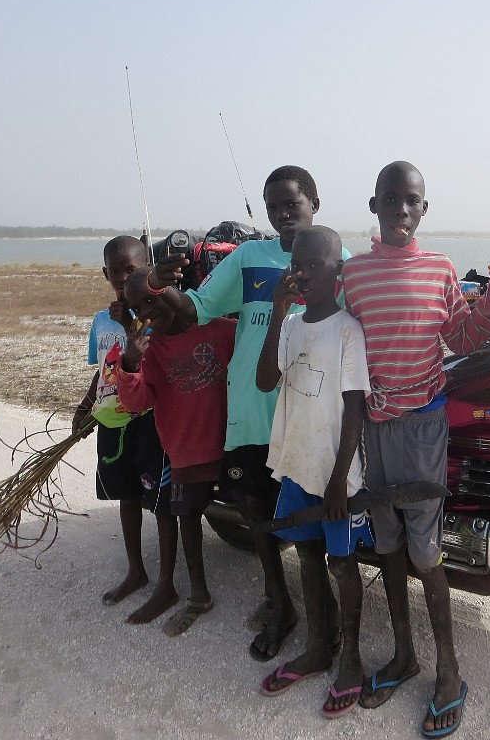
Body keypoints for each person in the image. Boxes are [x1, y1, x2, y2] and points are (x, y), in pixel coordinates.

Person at [342, 161, 490, 738]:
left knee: (425, 551)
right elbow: (336, 338)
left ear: (424, 210)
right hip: (373, 427)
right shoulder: (352, 275)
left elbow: (461, 335)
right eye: (390, 200)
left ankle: (449, 671)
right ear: (374, 206)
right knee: (389, 542)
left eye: (411, 201)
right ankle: (404, 655)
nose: (401, 210)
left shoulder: (441, 270)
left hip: (423, 425)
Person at [150, 166, 350, 660]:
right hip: (251, 402)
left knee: (309, 515)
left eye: (292, 204)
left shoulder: (338, 259)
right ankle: (279, 601)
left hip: (309, 410)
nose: (283, 214)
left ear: (315, 203)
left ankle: (326, 619)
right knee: (258, 511)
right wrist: (156, 286)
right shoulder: (247, 257)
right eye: (273, 206)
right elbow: (197, 308)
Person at [255, 226, 371, 718]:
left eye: (315, 265)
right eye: (296, 265)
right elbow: (265, 381)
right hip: (297, 468)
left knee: (342, 565)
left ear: (338, 271)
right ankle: (318, 646)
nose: (302, 274)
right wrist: (278, 312)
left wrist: (340, 480)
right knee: (305, 556)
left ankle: (351, 659)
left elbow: (354, 410)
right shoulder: (292, 324)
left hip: (334, 474)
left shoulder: (347, 329)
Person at [115, 268, 237, 636]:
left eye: (152, 299)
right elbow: (135, 403)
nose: (148, 313)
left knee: (254, 514)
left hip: (232, 444)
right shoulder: (146, 350)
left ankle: (273, 595)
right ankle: (198, 594)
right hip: (185, 450)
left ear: (173, 291)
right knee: (187, 517)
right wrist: (132, 362)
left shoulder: (219, 329)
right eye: (138, 308)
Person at [71, 235, 176, 625]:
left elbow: (153, 359)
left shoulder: (156, 314)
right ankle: (136, 571)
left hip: (149, 421)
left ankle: (167, 584)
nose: (121, 278)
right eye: (114, 272)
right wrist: (86, 407)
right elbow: (104, 367)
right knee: (126, 495)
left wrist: (129, 319)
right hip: (112, 421)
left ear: (146, 268)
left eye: (130, 270)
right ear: (105, 274)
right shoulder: (101, 320)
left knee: (162, 501)